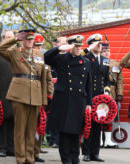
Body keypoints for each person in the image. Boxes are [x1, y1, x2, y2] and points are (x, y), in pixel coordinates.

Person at [0, 29, 47, 164]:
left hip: (35, 94)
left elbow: (42, 77)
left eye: (31, 39)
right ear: (22, 40)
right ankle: (20, 157)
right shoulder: (14, 52)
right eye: (27, 39)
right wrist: (15, 39)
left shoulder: (39, 55)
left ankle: (30, 157)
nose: (30, 42)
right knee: (20, 128)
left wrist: (43, 98)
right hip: (19, 94)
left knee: (31, 129)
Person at [45, 35, 92, 164]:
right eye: (75, 46)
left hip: (79, 101)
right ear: (70, 46)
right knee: (65, 132)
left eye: (79, 46)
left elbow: (88, 85)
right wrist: (60, 48)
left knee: (76, 132)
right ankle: (66, 159)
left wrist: (89, 103)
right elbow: (46, 57)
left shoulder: (86, 62)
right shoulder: (61, 59)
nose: (78, 49)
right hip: (64, 100)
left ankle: (75, 158)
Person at [81, 34, 110, 162]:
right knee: (88, 125)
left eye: (101, 43)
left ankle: (95, 153)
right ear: (92, 45)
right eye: (98, 44)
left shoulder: (104, 60)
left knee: (98, 125)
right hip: (89, 96)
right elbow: (79, 56)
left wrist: (107, 91)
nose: (100, 46)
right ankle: (86, 153)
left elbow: (107, 80)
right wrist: (88, 49)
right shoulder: (86, 57)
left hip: (100, 97)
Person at [33, 34, 54, 163]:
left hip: (42, 98)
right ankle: (28, 152)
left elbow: (49, 80)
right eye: (36, 45)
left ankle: (36, 151)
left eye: (40, 45)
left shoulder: (44, 60)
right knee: (30, 127)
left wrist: (49, 95)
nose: (39, 48)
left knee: (40, 125)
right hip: (30, 97)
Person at [100, 42, 123, 148]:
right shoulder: (97, 63)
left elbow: (119, 81)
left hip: (112, 92)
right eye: (104, 51)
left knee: (109, 117)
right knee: (99, 116)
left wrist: (119, 95)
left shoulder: (115, 64)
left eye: (108, 51)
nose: (106, 53)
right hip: (99, 92)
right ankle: (99, 140)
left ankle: (108, 141)